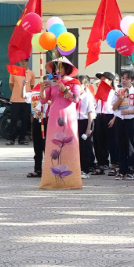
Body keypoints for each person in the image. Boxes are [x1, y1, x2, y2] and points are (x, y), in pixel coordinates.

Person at [40, 57, 84, 190]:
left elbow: (76, 99)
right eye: (56, 67)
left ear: (67, 68)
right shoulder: (52, 83)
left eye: (61, 67)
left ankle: (71, 181)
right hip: (53, 116)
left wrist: (64, 89)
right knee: (53, 147)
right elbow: (43, 101)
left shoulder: (74, 83)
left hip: (68, 117)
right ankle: (52, 180)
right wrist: (42, 89)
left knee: (68, 147)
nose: (58, 70)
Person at [110, 70, 134, 181]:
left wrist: (129, 112)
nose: (124, 80)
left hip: (131, 120)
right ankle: (121, 170)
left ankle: (130, 170)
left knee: (131, 145)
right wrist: (120, 99)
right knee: (120, 144)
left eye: (126, 78)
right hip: (120, 120)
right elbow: (114, 108)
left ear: (131, 80)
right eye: (122, 78)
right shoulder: (117, 91)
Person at [92, 72, 115, 175]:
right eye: (101, 78)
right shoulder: (98, 92)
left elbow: (117, 107)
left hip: (110, 116)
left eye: (104, 78)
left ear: (110, 80)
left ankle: (113, 166)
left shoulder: (114, 92)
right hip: (99, 116)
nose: (101, 80)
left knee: (112, 142)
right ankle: (101, 164)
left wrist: (114, 118)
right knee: (99, 142)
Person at [7, 61, 34, 146]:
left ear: (27, 62)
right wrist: (16, 92)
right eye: (22, 61)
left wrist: (27, 94)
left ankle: (22, 139)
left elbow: (32, 85)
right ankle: (11, 139)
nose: (23, 63)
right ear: (19, 62)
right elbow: (11, 84)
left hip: (26, 100)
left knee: (25, 120)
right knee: (13, 119)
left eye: (25, 61)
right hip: (15, 99)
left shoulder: (31, 73)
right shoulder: (14, 71)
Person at [76, 77, 96, 178]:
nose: (76, 87)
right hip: (74, 122)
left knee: (85, 147)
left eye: (79, 85)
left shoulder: (88, 97)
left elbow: (90, 113)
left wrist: (89, 127)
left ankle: (85, 169)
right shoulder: (72, 96)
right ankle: (77, 168)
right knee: (76, 147)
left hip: (85, 122)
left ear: (85, 86)